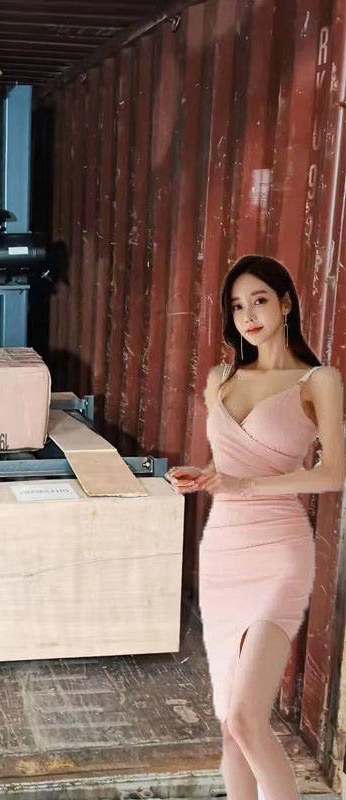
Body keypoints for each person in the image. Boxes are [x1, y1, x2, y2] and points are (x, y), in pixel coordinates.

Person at [165, 254, 344, 800]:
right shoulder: (221, 378)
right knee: (229, 725)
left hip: (279, 555)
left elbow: (333, 474)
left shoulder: (318, 381)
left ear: (286, 303)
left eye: (259, 300)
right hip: (223, 551)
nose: (248, 316)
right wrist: (203, 476)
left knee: (246, 717)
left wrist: (244, 486)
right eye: (238, 306)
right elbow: (231, 466)